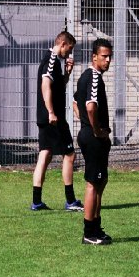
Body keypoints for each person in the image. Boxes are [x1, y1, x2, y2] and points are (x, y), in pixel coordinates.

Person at [31, 31, 83, 212]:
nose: (69, 53)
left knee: (45, 154)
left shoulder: (54, 62)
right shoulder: (51, 60)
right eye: (69, 49)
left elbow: (57, 87)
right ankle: (70, 201)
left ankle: (36, 201)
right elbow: (45, 84)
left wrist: (67, 74)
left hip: (46, 117)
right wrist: (51, 112)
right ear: (62, 44)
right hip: (53, 119)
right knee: (69, 155)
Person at [74, 38, 113, 245]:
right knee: (92, 184)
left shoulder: (86, 77)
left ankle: (96, 228)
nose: (107, 60)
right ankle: (89, 233)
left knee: (100, 181)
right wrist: (96, 130)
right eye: (104, 56)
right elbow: (90, 107)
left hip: (90, 135)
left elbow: (74, 101)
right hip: (93, 137)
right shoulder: (93, 77)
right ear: (94, 57)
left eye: (109, 57)